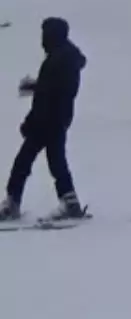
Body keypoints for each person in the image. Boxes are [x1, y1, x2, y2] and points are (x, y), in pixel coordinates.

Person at [0, 18, 88, 221]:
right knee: (56, 160)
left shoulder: (55, 61)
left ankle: (12, 203)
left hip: (47, 120)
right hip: (60, 117)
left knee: (24, 161)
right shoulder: (67, 57)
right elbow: (55, 87)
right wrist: (36, 86)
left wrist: (31, 122)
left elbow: (47, 96)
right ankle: (70, 201)